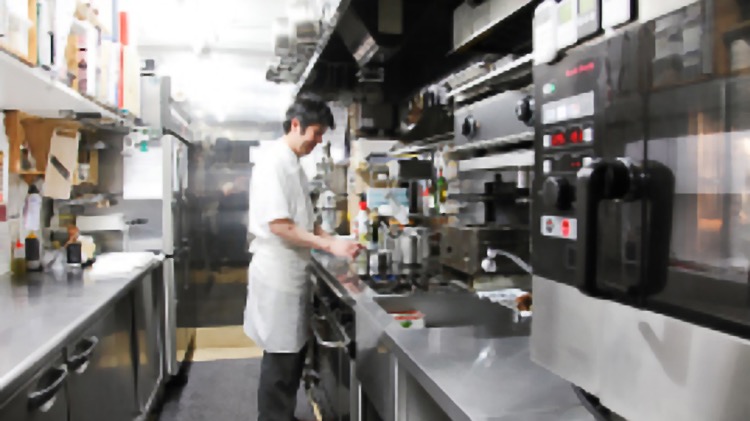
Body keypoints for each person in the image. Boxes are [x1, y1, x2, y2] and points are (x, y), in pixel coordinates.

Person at [244, 94, 362, 421]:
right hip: (277, 274)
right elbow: (280, 225)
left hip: (292, 272)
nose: (318, 140)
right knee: (280, 361)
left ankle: (282, 416)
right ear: (296, 125)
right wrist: (329, 247)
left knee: (292, 356)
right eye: (316, 132)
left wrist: (335, 240)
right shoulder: (273, 162)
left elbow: (305, 221)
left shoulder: (293, 163)